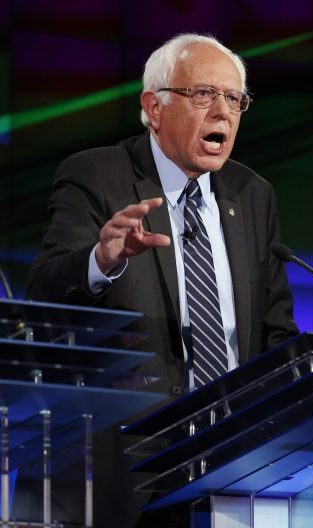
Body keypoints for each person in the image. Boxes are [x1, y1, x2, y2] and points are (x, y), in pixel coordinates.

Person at [26, 33, 298, 527]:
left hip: (233, 463)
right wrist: (102, 259)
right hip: (127, 465)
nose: (223, 112)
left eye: (234, 99)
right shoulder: (97, 175)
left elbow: (275, 330)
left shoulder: (253, 194)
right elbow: (44, 291)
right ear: (154, 107)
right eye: (204, 95)